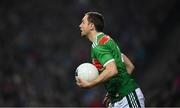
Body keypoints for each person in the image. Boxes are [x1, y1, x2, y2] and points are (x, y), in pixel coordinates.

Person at [76, 11, 145, 108]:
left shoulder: (98, 45)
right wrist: (113, 90)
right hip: (117, 100)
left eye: (83, 22)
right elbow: (129, 66)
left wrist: (90, 84)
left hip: (127, 97)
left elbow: (112, 70)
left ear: (91, 26)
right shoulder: (106, 39)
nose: (80, 25)